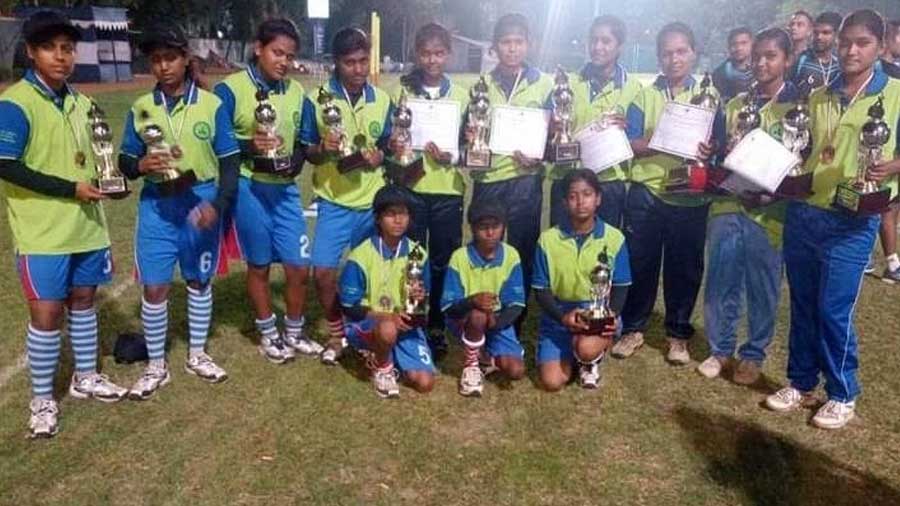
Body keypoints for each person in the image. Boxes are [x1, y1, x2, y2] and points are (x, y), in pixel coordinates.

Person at [765, 10, 900, 430]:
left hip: (854, 218)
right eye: (846, 42)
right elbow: (804, 148)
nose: (851, 50)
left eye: (862, 42)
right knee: (803, 303)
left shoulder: (895, 94)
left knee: (832, 308)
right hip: (807, 211)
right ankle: (801, 381)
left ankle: (843, 392)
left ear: (880, 45)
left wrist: (893, 165)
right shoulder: (820, 95)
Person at [0, 10, 128, 438]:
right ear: (33, 53)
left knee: (84, 302)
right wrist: (69, 189)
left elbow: (99, 162)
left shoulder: (83, 103)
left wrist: (118, 179)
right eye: (51, 48)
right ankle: (41, 398)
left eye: (68, 48)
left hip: (88, 227)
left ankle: (85, 376)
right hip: (43, 233)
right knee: (47, 314)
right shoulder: (15, 104)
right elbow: (6, 166)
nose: (62, 56)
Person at [118, 24, 240, 399]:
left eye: (170, 57)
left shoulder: (211, 105)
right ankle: (157, 364)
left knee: (199, 281)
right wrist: (139, 166)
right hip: (156, 205)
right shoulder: (141, 108)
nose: (163, 66)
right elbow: (123, 160)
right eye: (155, 60)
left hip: (198, 200)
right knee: (154, 287)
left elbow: (231, 162)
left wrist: (217, 205)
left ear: (185, 59)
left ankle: (197, 354)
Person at [613, 22, 722, 364]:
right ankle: (633, 327)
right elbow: (629, 142)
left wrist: (709, 149)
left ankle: (677, 334)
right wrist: (663, 138)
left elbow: (717, 145)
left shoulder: (710, 95)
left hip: (690, 193)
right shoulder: (645, 95)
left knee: (684, 266)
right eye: (667, 53)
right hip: (647, 191)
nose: (674, 59)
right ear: (658, 57)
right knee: (641, 262)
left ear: (693, 53)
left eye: (681, 51)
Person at [214, 18, 322, 363]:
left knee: (297, 266)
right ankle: (268, 333)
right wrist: (250, 145)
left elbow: (304, 142)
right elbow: (220, 142)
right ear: (258, 48)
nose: (284, 62)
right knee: (259, 266)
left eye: (289, 56)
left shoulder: (297, 93)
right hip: (250, 189)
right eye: (277, 53)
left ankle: (294, 330)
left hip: (285, 190)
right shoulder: (229, 90)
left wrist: (296, 162)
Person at [699, 28, 795, 385]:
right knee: (721, 278)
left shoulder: (798, 107)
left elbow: (801, 162)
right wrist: (711, 154)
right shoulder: (737, 104)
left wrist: (774, 192)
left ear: (787, 59)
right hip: (728, 204)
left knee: (762, 284)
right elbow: (722, 153)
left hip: (770, 212)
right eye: (757, 56)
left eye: (770, 55)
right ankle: (720, 349)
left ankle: (753, 354)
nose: (761, 62)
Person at [300, 27, 392, 365]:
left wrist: (381, 156)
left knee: (372, 275)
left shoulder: (382, 100)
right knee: (323, 272)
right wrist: (322, 148)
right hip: (334, 202)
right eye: (350, 62)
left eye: (363, 61)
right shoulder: (317, 99)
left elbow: (387, 146)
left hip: (371, 203)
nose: (357, 69)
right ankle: (337, 334)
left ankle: (366, 333)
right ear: (336, 62)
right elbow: (306, 151)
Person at [467, 13, 554, 330]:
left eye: (518, 42)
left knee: (522, 250)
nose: (512, 49)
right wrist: (469, 137)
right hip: (489, 180)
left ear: (528, 44)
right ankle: (485, 312)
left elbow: (557, 136)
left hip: (525, 181)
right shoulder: (481, 86)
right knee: (487, 249)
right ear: (494, 47)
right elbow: (470, 132)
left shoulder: (544, 84)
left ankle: (515, 321)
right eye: (506, 42)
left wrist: (539, 156)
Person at [390, 22, 468, 360]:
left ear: (448, 54)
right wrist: (393, 143)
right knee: (412, 260)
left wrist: (453, 155)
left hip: (448, 190)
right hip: (411, 187)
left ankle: (437, 323)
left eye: (438, 53)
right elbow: (389, 140)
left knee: (442, 261)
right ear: (416, 54)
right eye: (425, 53)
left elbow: (474, 145)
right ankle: (412, 320)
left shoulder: (464, 94)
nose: (432, 60)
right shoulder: (400, 90)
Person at [533, 169, 631, 391]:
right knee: (553, 381)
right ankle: (573, 350)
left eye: (587, 194)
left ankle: (589, 358)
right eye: (573, 196)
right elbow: (541, 289)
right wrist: (562, 317)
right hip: (560, 313)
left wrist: (612, 316)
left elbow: (621, 285)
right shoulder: (548, 239)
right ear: (565, 202)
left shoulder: (614, 238)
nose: (580, 202)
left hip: (597, 312)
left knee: (586, 348)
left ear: (598, 198)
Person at [339, 185, 435, 398]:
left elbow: (421, 302)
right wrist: (386, 317)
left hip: (403, 326)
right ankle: (383, 368)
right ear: (378, 218)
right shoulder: (361, 255)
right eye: (391, 214)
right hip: (368, 324)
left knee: (424, 383)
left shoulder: (417, 253)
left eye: (403, 214)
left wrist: (418, 303)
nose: (398, 220)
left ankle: (382, 354)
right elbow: (349, 307)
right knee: (387, 329)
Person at [550, 14, 642, 229]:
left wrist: (625, 130)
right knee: (562, 249)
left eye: (606, 41)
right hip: (567, 178)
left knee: (604, 253)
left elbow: (635, 137)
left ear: (619, 46)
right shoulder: (566, 83)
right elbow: (547, 130)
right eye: (593, 40)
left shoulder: (634, 88)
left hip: (609, 182)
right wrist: (553, 128)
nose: (597, 47)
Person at [442, 201, 526, 397]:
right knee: (478, 315)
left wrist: (496, 323)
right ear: (472, 228)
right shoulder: (459, 257)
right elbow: (448, 308)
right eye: (483, 227)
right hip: (465, 318)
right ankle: (471, 365)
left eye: (495, 227)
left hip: (497, 320)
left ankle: (485, 358)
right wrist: (472, 301)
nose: (490, 233)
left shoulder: (511, 255)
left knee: (516, 371)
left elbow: (516, 304)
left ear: (503, 227)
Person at [791, 12, 843, 91]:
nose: (819, 37)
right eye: (816, 33)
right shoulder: (801, 61)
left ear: (836, 36)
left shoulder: (839, 66)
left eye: (825, 33)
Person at [712, 27, 754, 102]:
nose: (739, 48)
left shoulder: (762, 70)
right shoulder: (720, 74)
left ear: (752, 44)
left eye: (744, 43)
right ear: (728, 47)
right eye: (734, 44)